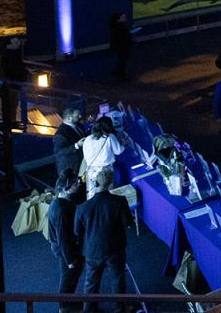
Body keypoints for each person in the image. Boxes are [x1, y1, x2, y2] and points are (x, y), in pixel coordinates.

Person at [74, 168, 134, 311]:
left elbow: (77, 231)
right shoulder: (119, 201)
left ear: (95, 183)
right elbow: (128, 224)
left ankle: (89, 309)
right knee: (117, 279)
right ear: (110, 183)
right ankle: (119, 309)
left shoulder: (82, 207)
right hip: (115, 249)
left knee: (91, 283)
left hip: (92, 250)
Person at [47, 173, 85, 312]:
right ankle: (64, 307)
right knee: (68, 276)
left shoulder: (62, 200)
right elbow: (63, 237)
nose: (79, 184)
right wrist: (70, 259)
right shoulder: (61, 210)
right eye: (75, 184)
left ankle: (69, 302)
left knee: (73, 274)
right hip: (65, 249)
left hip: (66, 246)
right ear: (66, 188)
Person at [77, 116, 124, 185]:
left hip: (91, 171)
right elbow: (118, 151)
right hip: (106, 170)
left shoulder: (88, 138)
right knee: (110, 189)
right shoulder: (109, 136)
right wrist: (123, 145)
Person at [54, 106, 86, 178]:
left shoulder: (79, 125)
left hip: (81, 163)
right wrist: (76, 145)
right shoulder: (61, 133)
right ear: (69, 118)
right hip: (70, 168)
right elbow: (58, 152)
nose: (80, 116)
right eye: (77, 116)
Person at [108, 13, 132, 80]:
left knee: (122, 60)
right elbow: (123, 37)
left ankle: (120, 74)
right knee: (123, 60)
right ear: (118, 20)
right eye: (123, 17)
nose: (125, 18)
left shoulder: (117, 27)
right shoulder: (120, 28)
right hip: (122, 46)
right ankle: (119, 74)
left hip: (121, 46)